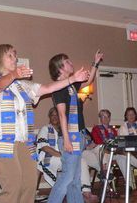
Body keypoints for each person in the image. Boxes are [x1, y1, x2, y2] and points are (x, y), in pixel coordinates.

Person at [0, 44, 89, 203]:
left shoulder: (20, 85)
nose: (15, 58)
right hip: (2, 140)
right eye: (10, 55)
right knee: (13, 185)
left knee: (30, 184)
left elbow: (46, 88)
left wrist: (72, 79)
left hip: (24, 142)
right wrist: (14, 75)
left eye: (15, 55)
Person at [47, 50, 103, 203]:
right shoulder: (59, 87)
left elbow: (89, 80)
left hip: (77, 136)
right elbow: (62, 115)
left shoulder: (71, 86)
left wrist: (95, 63)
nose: (72, 63)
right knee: (67, 178)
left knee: (75, 180)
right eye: (68, 62)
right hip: (69, 138)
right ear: (60, 68)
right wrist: (66, 140)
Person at [36, 108, 99, 203]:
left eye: (57, 115)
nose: (55, 117)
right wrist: (61, 155)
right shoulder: (45, 128)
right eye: (52, 115)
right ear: (49, 117)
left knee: (81, 161)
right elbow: (44, 147)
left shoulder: (64, 130)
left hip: (65, 156)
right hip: (51, 157)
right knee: (71, 166)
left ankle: (86, 192)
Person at [91, 109, 137, 188]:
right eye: (103, 117)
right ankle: (106, 173)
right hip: (103, 152)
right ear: (100, 118)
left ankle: (130, 184)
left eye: (107, 117)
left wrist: (118, 150)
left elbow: (117, 142)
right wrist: (111, 147)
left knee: (123, 157)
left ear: (110, 118)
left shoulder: (113, 130)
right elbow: (98, 141)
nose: (105, 119)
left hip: (112, 152)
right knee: (102, 149)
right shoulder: (96, 129)